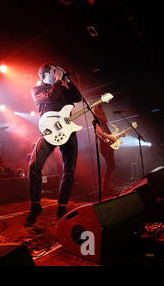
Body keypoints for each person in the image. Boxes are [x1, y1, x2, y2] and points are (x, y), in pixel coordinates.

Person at [25, 63, 81, 227]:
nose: (57, 73)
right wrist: (58, 80)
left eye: (57, 71)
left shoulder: (61, 88)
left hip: (67, 131)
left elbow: (77, 98)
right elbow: (51, 97)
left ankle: (62, 208)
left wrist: (68, 81)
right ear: (44, 75)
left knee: (69, 169)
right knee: (34, 165)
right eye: (53, 71)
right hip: (49, 132)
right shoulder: (37, 90)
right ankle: (35, 206)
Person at [93, 105, 117, 196]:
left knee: (111, 166)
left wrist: (112, 138)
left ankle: (107, 188)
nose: (102, 110)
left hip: (108, 145)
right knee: (110, 166)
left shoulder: (104, 121)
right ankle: (105, 189)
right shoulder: (96, 120)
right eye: (100, 108)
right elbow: (99, 133)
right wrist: (109, 137)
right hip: (105, 146)